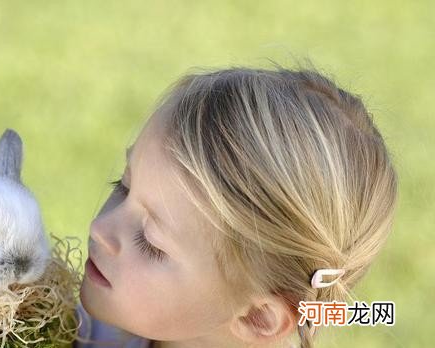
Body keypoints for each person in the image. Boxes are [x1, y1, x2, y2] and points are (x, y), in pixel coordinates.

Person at [73, 66, 398, 348]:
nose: (99, 229)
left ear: (258, 317)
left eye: (151, 243)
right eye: (123, 186)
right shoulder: (84, 326)